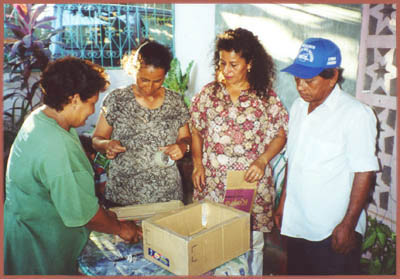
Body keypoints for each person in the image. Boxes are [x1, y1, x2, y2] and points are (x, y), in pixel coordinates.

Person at [4, 57, 142, 275]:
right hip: (38, 247)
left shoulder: (41, 118)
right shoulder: (57, 146)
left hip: (24, 230)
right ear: (75, 99)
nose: (91, 112)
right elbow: (84, 214)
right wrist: (122, 229)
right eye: (92, 104)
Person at [274, 38, 379, 275]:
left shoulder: (355, 114)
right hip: (298, 223)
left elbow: (364, 171)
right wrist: (283, 203)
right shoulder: (298, 107)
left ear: (332, 78)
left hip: (331, 231)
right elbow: (293, 159)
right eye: (297, 78)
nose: (300, 86)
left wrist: (348, 225)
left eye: (309, 81)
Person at [190, 28, 288, 275]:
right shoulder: (209, 94)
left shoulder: (265, 98)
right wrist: (198, 163)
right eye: (222, 63)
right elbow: (196, 129)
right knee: (212, 238)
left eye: (234, 64)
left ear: (250, 63)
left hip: (248, 183)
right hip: (213, 183)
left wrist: (263, 160)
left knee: (250, 244)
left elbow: (281, 134)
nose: (227, 70)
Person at [92, 40, 191, 206]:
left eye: (158, 80)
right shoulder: (117, 100)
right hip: (123, 194)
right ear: (133, 70)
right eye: (144, 80)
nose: (150, 87)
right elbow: (97, 139)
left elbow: (186, 138)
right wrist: (107, 144)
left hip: (167, 194)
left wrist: (182, 147)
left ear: (166, 74)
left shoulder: (175, 101)